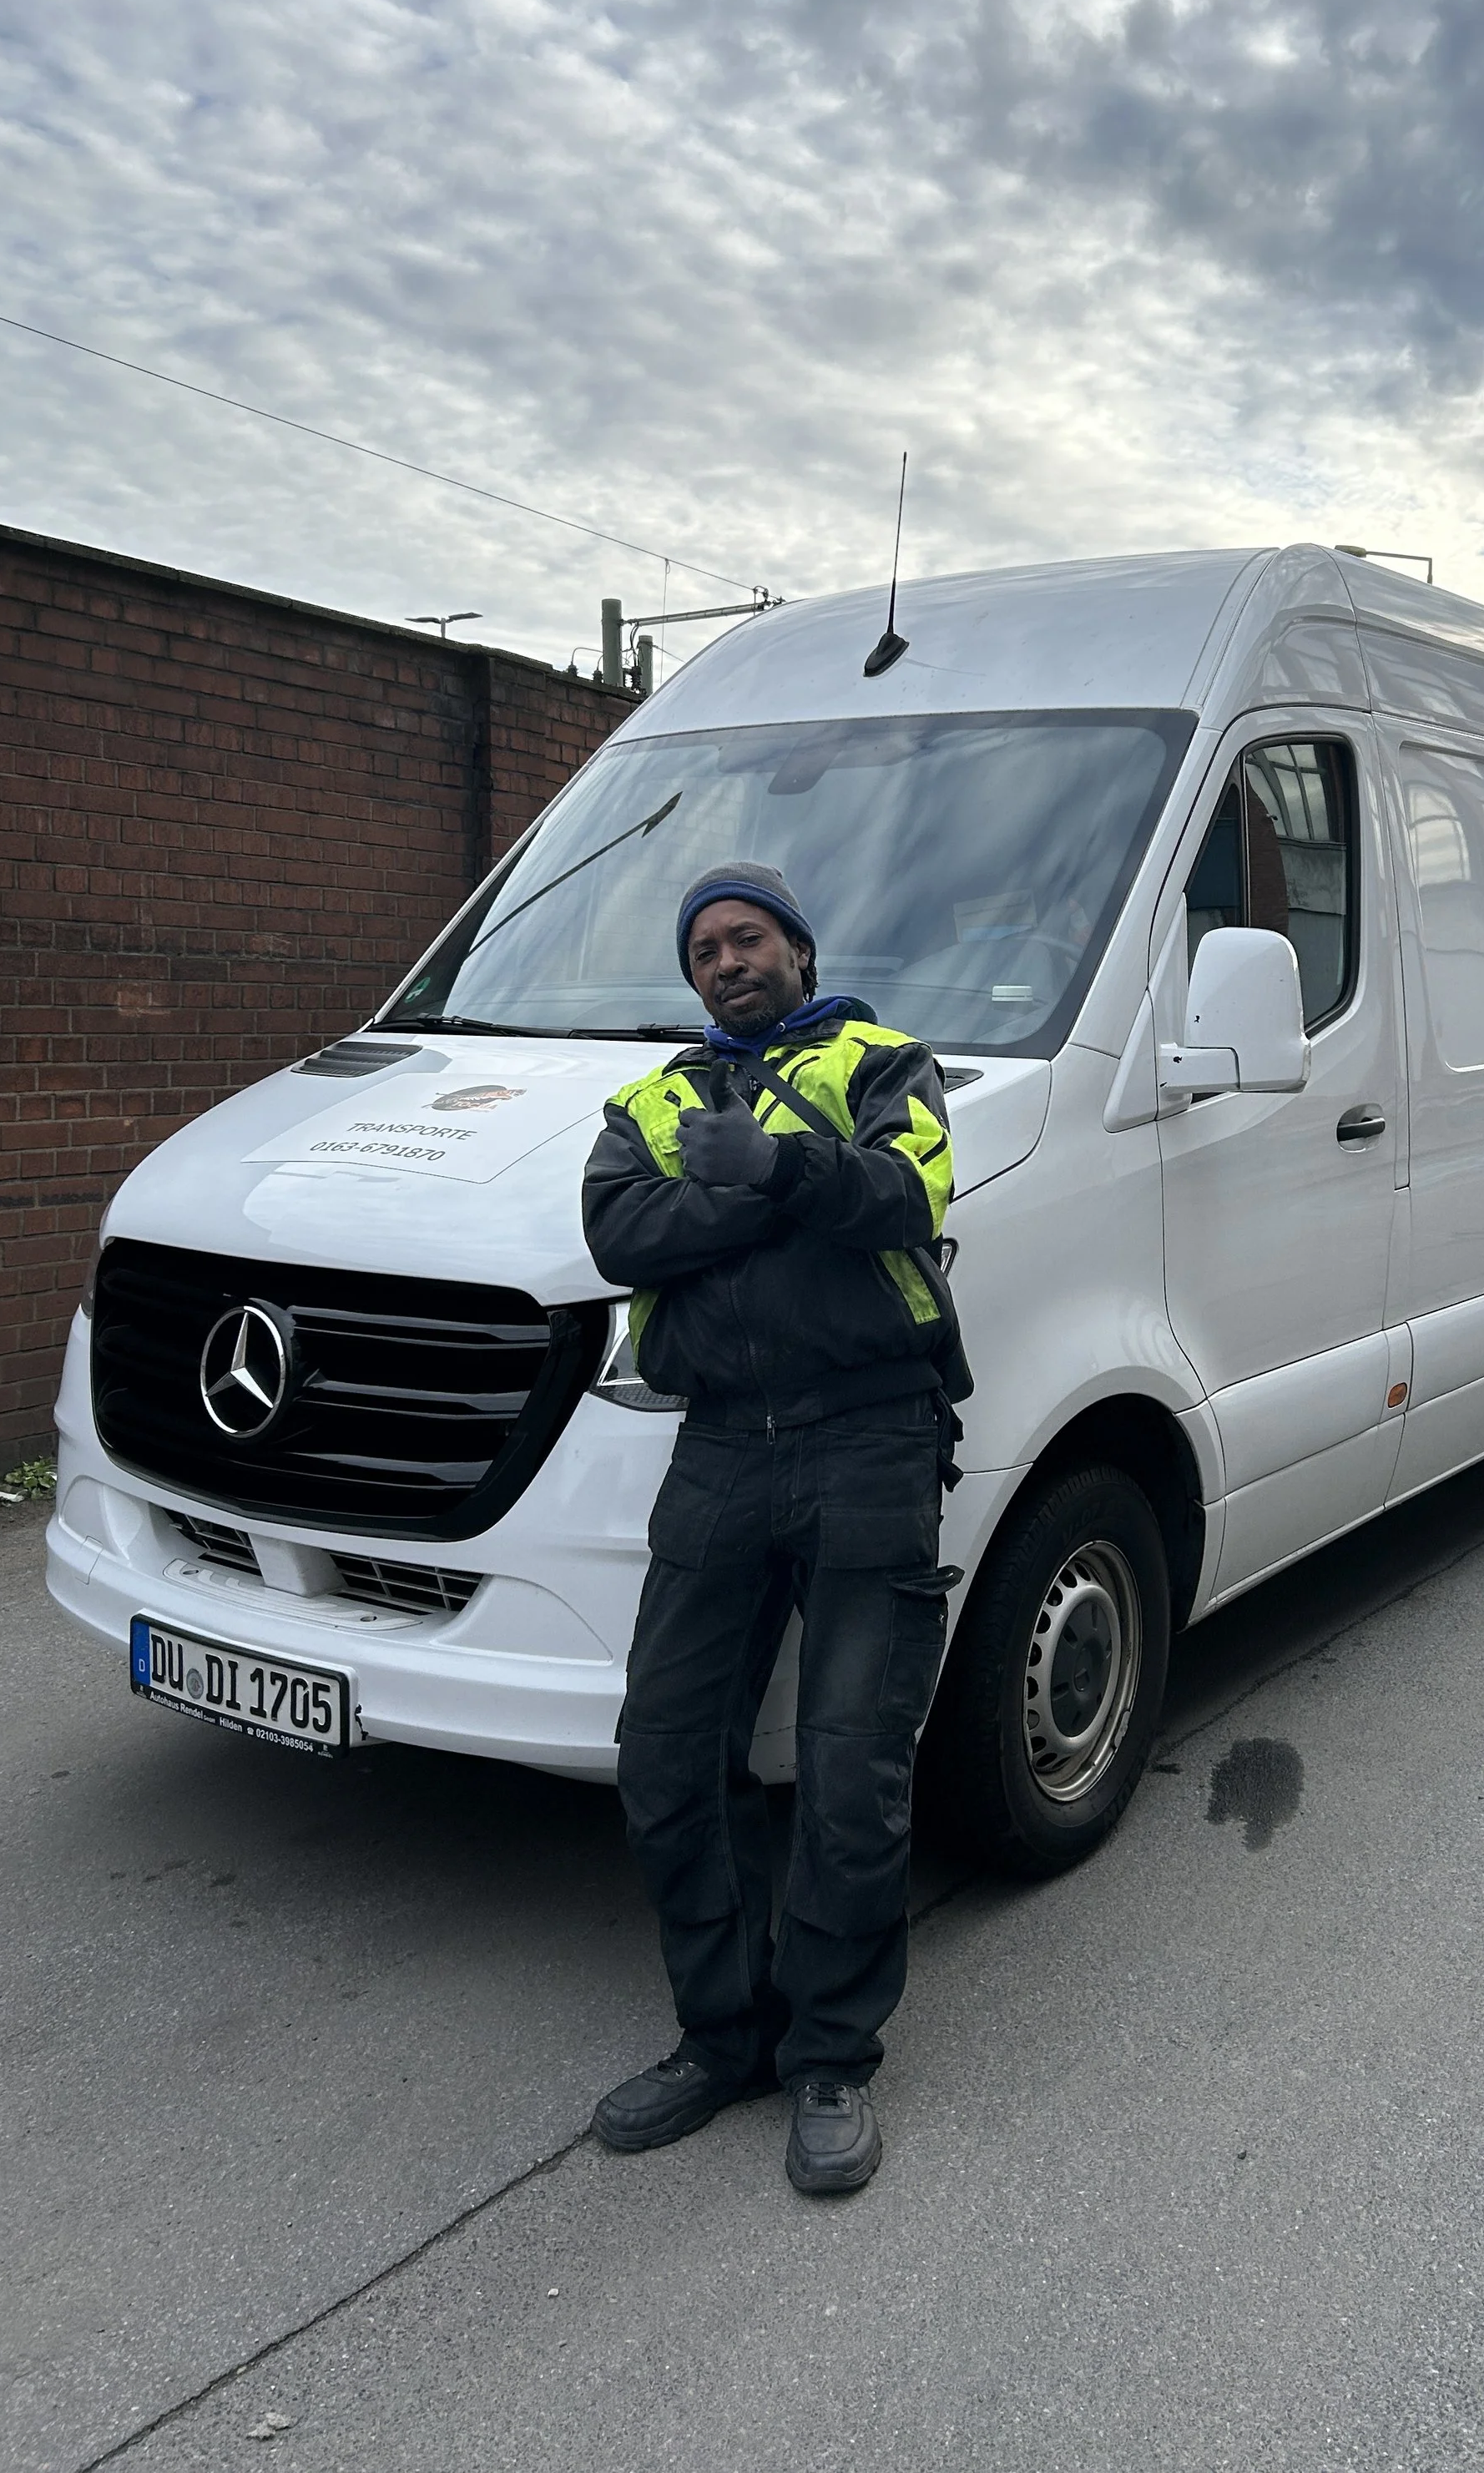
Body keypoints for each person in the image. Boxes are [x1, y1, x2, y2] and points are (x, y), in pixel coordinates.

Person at [580, 860, 961, 2197]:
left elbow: (907, 1195)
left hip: (872, 1436)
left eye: (746, 940)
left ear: (799, 946)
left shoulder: (884, 1062)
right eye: (702, 953)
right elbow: (619, 1229)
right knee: (667, 1754)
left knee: (851, 1767)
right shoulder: (652, 1098)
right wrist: (778, 1197)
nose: (725, 964)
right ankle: (721, 2038)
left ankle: (830, 2060)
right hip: (722, 1445)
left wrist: (783, 1167)